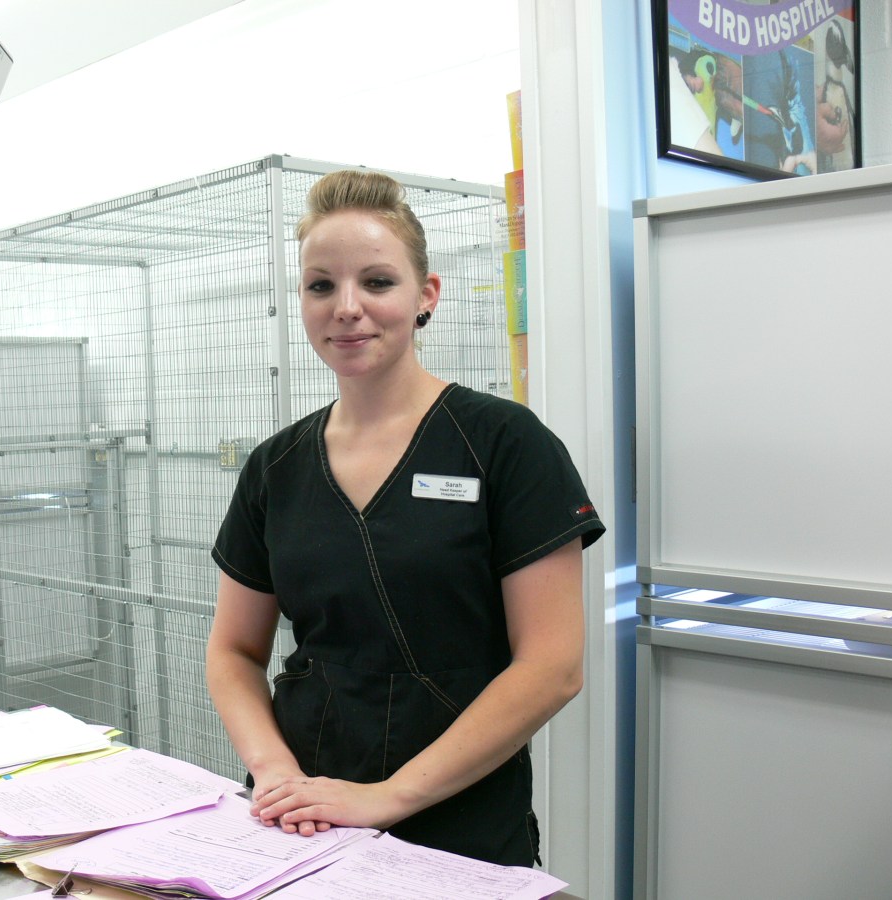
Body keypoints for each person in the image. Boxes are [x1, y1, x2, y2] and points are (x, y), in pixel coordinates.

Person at [205, 169, 605, 867]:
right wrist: (273, 772)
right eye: (321, 285)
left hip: (459, 826)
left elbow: (552, 666)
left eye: (377, 282)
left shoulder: (506, 445)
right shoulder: (276, 467)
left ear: (426, 296)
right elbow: (234, 652)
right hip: (303, 822)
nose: (346, 307)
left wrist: (386, 797)